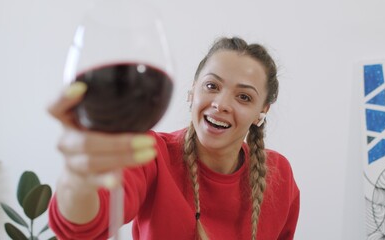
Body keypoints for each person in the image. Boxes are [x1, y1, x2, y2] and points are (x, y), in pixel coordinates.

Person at [48, 37, 300, 240]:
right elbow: (82, 228)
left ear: (262, 111)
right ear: (192, 90)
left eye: (244, 97)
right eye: (212, 86)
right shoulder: (152, 153)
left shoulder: (280, 174)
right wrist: (78, 178)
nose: (220, 104)